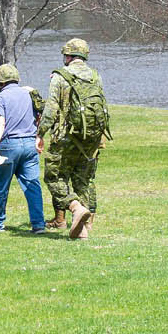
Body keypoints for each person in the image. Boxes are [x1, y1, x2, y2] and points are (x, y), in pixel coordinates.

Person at [38, 37, 109, 240]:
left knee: (54, 177)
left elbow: (51, 110)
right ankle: (84, 228)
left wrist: (40, 133)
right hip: (91, 137)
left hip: (66, 137)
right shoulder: (96, 76)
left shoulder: (60, 76)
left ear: (67, 56)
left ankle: (75, 208)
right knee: (83, 180)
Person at [0, 63, 47, 234]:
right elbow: (39, 117)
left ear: (0, 83)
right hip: (30, 144)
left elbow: (0, 122)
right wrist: (39, 137)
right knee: (32, 185)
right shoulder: (29, 95)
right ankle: (39, 224)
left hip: (9, 146)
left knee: (1, 186)